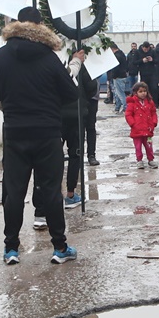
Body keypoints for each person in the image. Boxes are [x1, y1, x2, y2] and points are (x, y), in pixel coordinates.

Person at [0, 6, 79, 265]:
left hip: (14, 132)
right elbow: (71, 94)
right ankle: (60, 248)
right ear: (40, 27)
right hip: (47, 132)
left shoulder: (0, 56)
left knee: (13, 191)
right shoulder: (49, 57)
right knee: (50, 191)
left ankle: (11, 249)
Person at [60, 47, 97, 208]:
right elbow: (91, 88)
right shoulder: (82, 69)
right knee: (75, 155)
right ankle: (70, 194)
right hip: (77, 116)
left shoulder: (57, 67)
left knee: (54, 156)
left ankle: (53, 193)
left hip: (58, 116)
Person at [126, 80, 159, 167]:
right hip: (137, 129)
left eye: (144, 91)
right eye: (140, 91)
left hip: (148, 129)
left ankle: (151, 159)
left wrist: (154, 122)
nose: (143, 93)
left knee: (149, 146)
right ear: (135, 92)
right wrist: (133, 124)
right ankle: (139, 160)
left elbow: (153, 113)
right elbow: (128, 114)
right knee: (138, 147)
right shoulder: (132, 103)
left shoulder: (149, 102)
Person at [109, 44, 130, 115]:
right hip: (123, 75)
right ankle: (117, 107)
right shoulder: (122, 54)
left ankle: (125, 107)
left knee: (120, 93)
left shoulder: (116, 56)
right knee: (118, 93)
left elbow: (116, 68)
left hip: (118, 77)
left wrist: (113, 76)